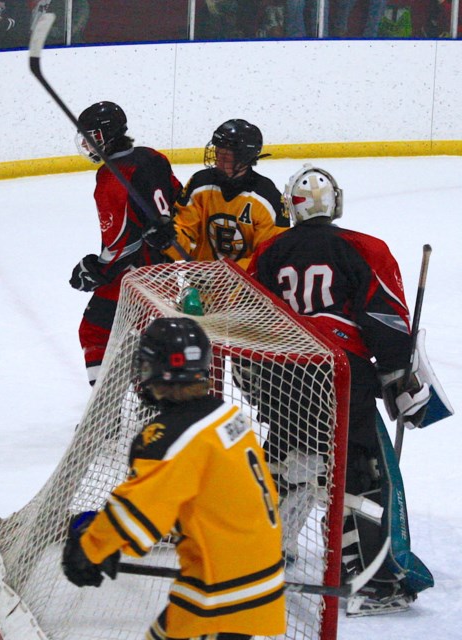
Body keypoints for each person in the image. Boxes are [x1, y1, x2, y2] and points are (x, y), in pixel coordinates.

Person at [247, 164, 433, 615]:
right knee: (359, 474)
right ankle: (374, 581)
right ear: (337, 204)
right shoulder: (362, 248)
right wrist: (397, 377)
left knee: (289, 460)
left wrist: (253, 382)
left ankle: (262, 554)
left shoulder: (270, 250)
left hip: (279, 376)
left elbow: (247, 316)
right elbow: (385, 318)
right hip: (339, 376)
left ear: (291, 208)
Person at [61, 317, 286, 639]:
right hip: (257, 574)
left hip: (219, 591)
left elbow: (137, 511)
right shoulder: (228, 417)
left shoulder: (170, 438)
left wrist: (91, 548)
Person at [69, 101, 181, 386]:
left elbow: (121, 244)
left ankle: (105, 413)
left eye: (91, 135)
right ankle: (155, 405)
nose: (86, 142)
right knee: (154, 339)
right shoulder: (153, 157)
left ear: (107, 135)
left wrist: (97, 269)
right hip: (164, 272)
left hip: (133, 276)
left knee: (94, 331)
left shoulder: (111, 176)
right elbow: (181, 198)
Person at [163, 118, 289, 269]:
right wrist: (169, 239)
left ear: (244, 157)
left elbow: (267, 257)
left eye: (226, 155)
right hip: (201, 284)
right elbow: (185, 240)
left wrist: (224, 275)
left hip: (248, 290)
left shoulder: (268, 197)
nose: (218, 159)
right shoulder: (199, 184)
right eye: (217, 151)